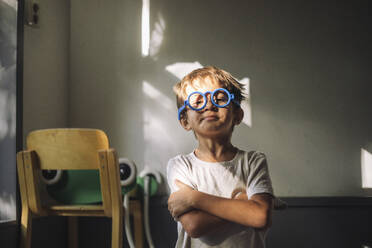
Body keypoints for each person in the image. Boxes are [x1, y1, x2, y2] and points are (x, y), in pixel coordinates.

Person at [166, 66, 274, 248]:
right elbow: (194, 225)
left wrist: (193, 198)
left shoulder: (253, 161)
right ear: (185, 120)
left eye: (220, 98)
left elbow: (260, 216)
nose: (209, 105)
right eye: (197, 101)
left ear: (237, 115)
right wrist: (241, 204)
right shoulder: (180, 165)